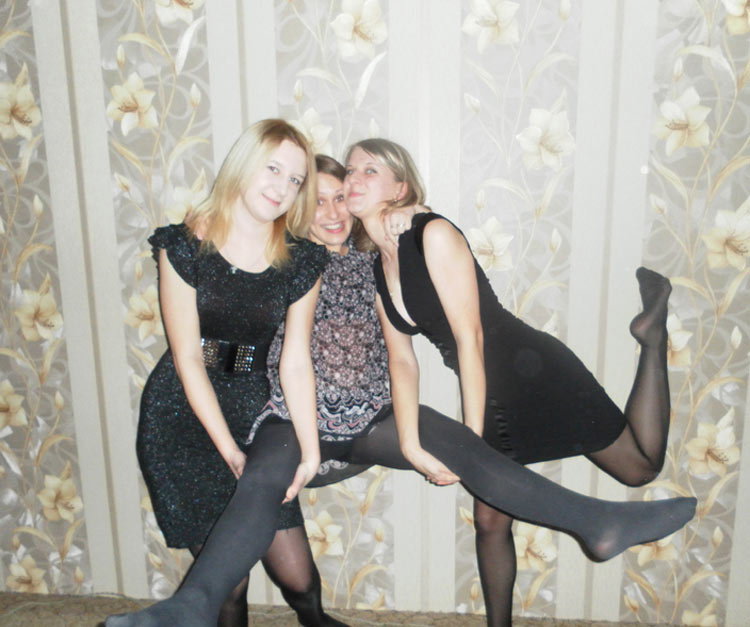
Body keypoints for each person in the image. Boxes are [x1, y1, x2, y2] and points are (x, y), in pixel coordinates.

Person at [106, 155, 695, 627]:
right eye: (318, 199)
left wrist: (412, 215)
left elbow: (401, 353)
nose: (332, 210)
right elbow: (248, 332)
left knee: (459, 446)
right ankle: (191, 606)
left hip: (367, 414)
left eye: (342, 196)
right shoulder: (289, 260)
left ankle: (597, 522)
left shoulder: (376, 263)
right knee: (260, 506)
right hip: (280, 414)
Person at [344, 138, 682, 626]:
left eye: (369, 170)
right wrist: (413, 444)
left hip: (535, 372)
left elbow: (472, 338)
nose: (354, 178)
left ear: (399, 188)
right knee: (489, 518)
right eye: (350, 170)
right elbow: (403, 361)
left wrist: (470, 441)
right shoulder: (377, 265)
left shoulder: (430, 233)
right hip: (492, 387)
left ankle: (652, 339)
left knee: (640, 469)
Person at [133, 119, 337, 627]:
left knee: (299, 578)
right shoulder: (184, 246)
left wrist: (311, 451)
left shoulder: (302, 260)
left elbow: (295, 361)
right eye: (273, 169)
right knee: (230, 585)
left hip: (254, 404)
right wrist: (228, 450)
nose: (283, 187)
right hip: (183, 412)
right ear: (244, 165)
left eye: (295, 179)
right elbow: (187, 357)